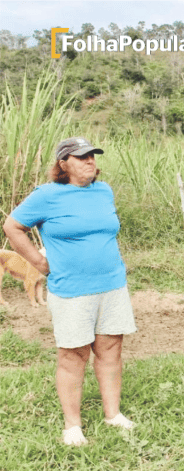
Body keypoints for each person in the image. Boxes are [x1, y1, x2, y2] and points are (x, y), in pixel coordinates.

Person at [3, 137, 137, 446]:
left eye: (92, 155)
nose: (90, 160)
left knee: (110, 350)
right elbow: (12, 226)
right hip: (71, 290)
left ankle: (113, 414)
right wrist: (39, 261)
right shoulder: (47, 195)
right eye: (81, 157)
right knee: (73, 355)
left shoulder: (103, 191)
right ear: (63, 164)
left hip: (112, 285)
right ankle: (72, 426)